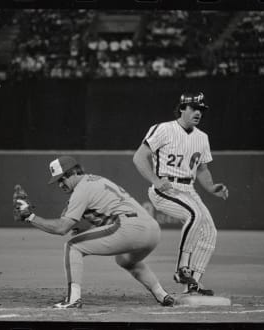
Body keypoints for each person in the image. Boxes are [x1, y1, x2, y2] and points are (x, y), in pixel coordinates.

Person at [13, 156, 175, 309]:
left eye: (63, 178)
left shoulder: (81, 189)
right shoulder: (95, 180)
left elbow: (61, 228)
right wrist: (85, 230)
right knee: (125, 260)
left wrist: (30, 217)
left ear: (75, 172)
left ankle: (73, 300)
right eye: (58, 181)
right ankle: (163, 296)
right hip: (152, 230)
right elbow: (105, 218)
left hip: (130, 228)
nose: (61, 184)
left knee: (73, 246)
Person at [133, 92, 229, 296]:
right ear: (182, 109)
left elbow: (202, 169)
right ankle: (182, 269)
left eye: (201, 110)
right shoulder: (163, 129)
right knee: (195, 214)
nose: (198, 113)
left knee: (209, 232)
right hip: (165, 188)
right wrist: (156, 181)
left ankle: (192, 284)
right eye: (194, 108)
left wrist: (211, 188)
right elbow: (139, 157)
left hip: (188, 189)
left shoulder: (202, 137)